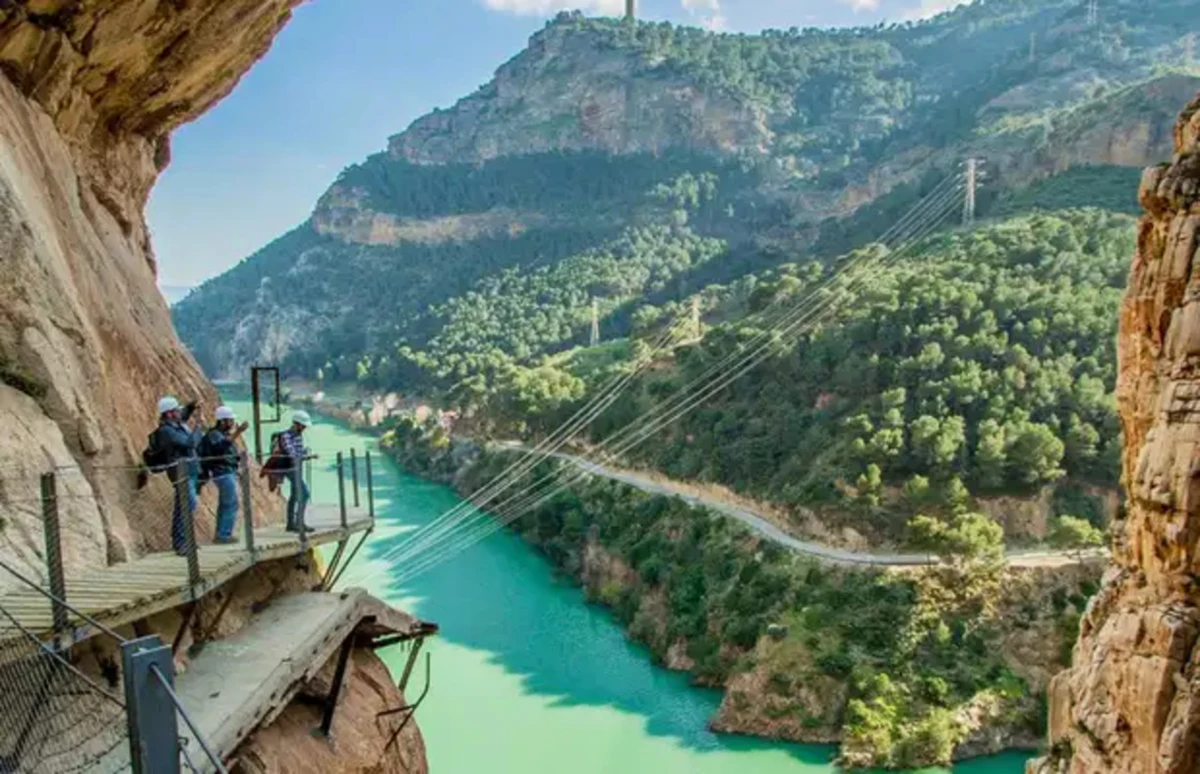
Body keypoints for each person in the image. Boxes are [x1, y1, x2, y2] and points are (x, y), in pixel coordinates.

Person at [152, 396, 200, 554]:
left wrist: (191, 406)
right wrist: (198, 427)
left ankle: (182, 541)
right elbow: (189, 443)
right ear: (169, 414)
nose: (180, 412)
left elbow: (183, 415)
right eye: (176, 411)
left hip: (188, 470)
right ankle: (181, 543)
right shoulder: (167, 431)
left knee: (183, 505)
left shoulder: (174, 425)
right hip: (180, 471)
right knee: (188, 504)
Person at [199, 406, 250, 544]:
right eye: (230, 420)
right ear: (222, 421)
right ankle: (224, 534)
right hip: (222, 472)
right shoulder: (214, 434)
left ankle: (222, 533)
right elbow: (220, 448)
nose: (232, 423)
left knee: (226, 503)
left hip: (228, 471)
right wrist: (238, 432)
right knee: (230, 503)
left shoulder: (222, 435)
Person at [279, 411, 315, 532]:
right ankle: (299, 523)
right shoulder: (286, 436)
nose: (304, 428)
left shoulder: (299, 435)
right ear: (296, 424)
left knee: (294, 496)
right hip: (290, 468)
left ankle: (291, 524)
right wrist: (307, 456)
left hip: (297, 468)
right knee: (304, 494)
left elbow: (298, 452)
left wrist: (305, 453)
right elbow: (292, 454)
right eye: (303, 426)